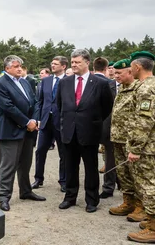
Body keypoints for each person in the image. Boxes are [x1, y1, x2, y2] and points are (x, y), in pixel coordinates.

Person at [56, 49, 114, 213]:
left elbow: (107, 107)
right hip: (69, 131)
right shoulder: (64, 83)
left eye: (77, 62)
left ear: (87, 62)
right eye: (72, 62)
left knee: (90, 167)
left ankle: (92, 200)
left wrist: (92, 120)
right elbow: (60, 106)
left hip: (89, 131)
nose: (73, 65)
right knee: (70, 167)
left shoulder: (100, 83)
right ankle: (70, 197)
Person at [0, 55, 45, 212]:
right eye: (16, 66)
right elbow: (7, 107)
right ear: (7, 68)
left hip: (28, 131)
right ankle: (3, 196)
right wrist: (26, 122)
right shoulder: (0, 84)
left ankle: (25, 191)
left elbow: (35, 102)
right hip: (11, 131)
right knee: (8, 166)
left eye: (21, 66)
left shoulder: (25, 82)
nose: (20, 68)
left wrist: (34, 120)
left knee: (25, 164)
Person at [126, 51, 155, 242]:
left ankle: (153, 228)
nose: (130, 70)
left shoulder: (146, 89)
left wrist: (135, 148)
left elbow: (144, 120)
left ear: (137, 67)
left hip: (147, 148)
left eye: (131, 67)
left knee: (149, 185)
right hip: (150, 145)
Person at [108, 59, 142, 219]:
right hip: (118, 138)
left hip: (131, 140)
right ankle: (128, 202)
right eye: (114, 73)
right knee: (123, 174)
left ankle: (141, 207)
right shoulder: (121, 88)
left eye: (119, 73)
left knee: (137, 175)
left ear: (130, 72)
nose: (115, 76)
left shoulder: (139, 88)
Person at [32, 56, 67, 193]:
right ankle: (38, 178)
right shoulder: (45, 81)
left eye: (56, 64)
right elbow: (39, 101)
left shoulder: (68, 81)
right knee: (40, 151)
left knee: (64, 153)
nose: (52, 66)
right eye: (52, 63)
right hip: (45, 121)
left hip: (61, 122)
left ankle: (63, 181)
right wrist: (37, 119)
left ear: (63, 66)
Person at [92, 56, 117, 199]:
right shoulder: (110, 84)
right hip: (108, 127)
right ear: (106, 68)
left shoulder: (88, 83)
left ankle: (99, 186)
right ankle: (109, 185)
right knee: (110, 158)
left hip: (91, 126)